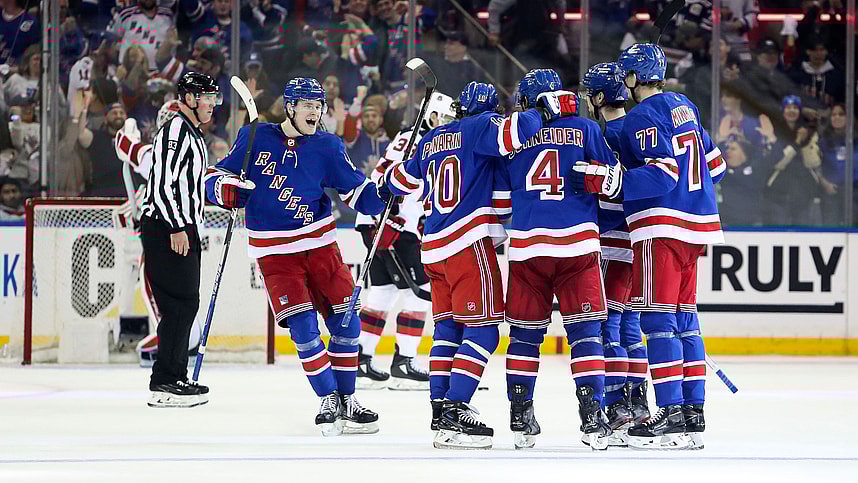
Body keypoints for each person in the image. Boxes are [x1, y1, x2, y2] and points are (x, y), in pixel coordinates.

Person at [382, 81, 563, 449]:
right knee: (483, 331)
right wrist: (544, 111)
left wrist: (408, 157)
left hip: (432, 247)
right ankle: (456, 407)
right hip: (466, 244)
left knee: (448, 330)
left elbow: (397, 181)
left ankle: (440, 408)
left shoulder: (433, 137)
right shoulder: (481, 127)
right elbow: (517, 132)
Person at [204, 77, 387, 437]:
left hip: (320, 245)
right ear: (290, 107)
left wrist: (383, 195)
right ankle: (327, 398)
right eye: (308, 105)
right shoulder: (255, 137)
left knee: (347, 323)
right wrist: (226, 189)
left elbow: (355, 189)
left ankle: (348, 399)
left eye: (319, 106)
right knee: (304, 330)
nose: (315, 112)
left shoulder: (328, 146)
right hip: (275, 252)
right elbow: (215, 176)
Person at [570, 43, 726, 450]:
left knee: (657, 323)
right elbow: (717, 167)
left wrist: (611, 181)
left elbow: (662, 175)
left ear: (635, 78)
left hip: (661, 228)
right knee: (686, 321)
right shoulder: (685, 106)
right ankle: (693, 414)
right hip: (698, 225)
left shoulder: (643, 116)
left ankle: (670, 413)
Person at [497, 68, 615, 450]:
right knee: (585, 336)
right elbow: (613, 179)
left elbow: (498, 196)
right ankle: (593, 417)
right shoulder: (584, 128)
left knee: (524, 338)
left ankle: (520, 414)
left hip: (528, 247)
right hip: (577, 246)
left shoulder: (512, 136)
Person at [354, 92, 457, 391]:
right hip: (395, 227)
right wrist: (389, 220)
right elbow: (390, 179)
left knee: (382, 294)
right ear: (432, 115)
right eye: (444, 118)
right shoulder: (418, 141)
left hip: (381, 223)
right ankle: (404, 363)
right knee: (421, 294)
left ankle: (362, 361)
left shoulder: (410, 136)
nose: (447, 124)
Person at [140, 72, 222, 408]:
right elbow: (162, 183)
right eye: (206, 97)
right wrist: (176, 226)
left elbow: (190, 183)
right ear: (189, 98)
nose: (212, 104)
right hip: (167, 226)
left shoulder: (193, 133)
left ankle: (175, 374)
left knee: (185, 302)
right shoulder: (175, 129)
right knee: (178, 302)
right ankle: (164, 381)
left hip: (181, 225)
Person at [581, 62, 650, 444]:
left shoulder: (601, 134)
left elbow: (603, 189)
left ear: (600, 96)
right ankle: (637, 402)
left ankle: (616, 404)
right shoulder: (641, 128)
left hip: (607, 239)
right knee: (629, 326)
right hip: (638, 241)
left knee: (606, 325)